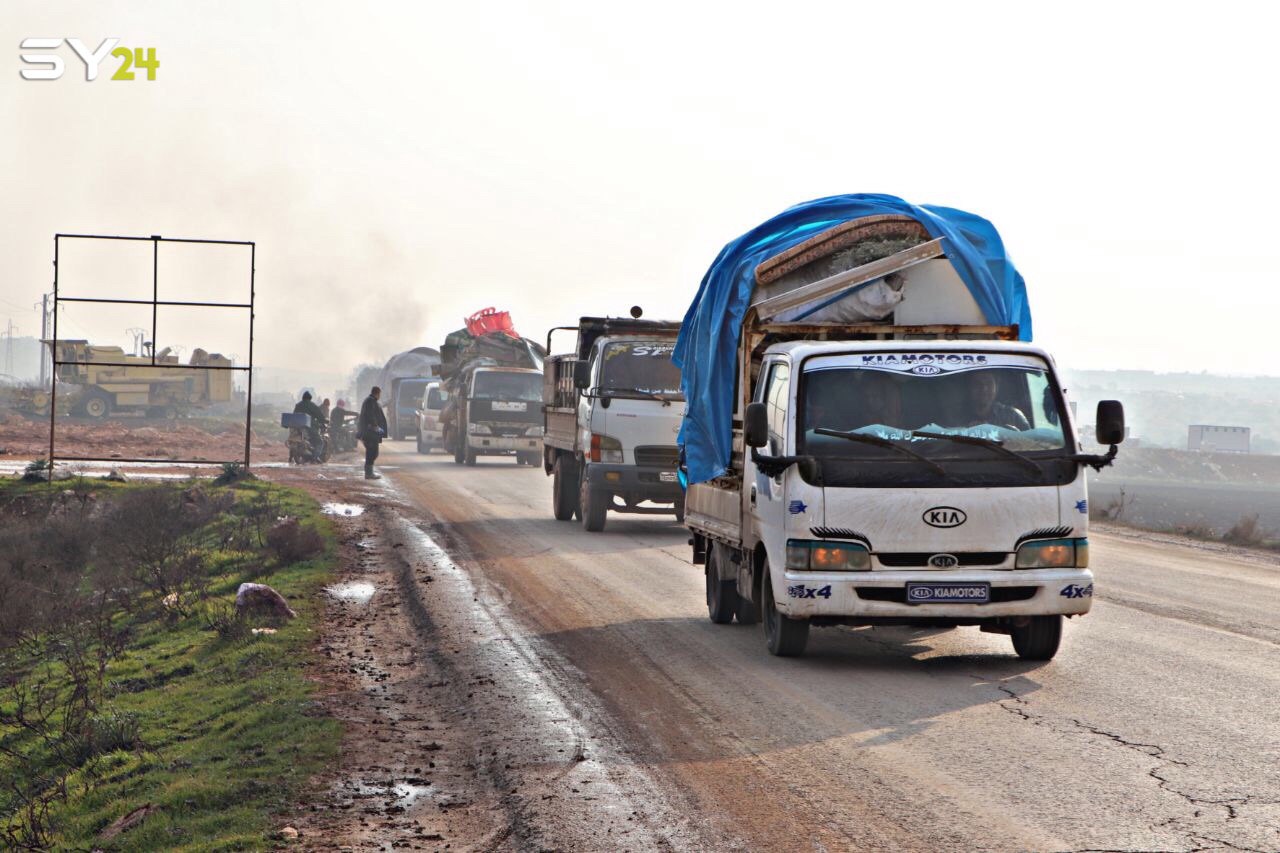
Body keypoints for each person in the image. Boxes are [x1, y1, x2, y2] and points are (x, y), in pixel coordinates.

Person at [963, 372, 1030, 430]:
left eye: (988, 383)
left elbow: (1030, 440)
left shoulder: (1013, 416)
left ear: (996, 387)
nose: (984, 388)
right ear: (969, 387)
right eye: (977, 383)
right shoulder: (958, 417)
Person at [359, 386, 388, 479]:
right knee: (372, 452)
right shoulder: (370, 401)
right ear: (377, 393)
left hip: (371, 432)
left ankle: (369, 472)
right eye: (379, 394)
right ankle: (369, 473)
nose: (380, 396)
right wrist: (375, 425)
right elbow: (370, 415)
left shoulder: (371, 401)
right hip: (370, 432)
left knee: (373, 452)